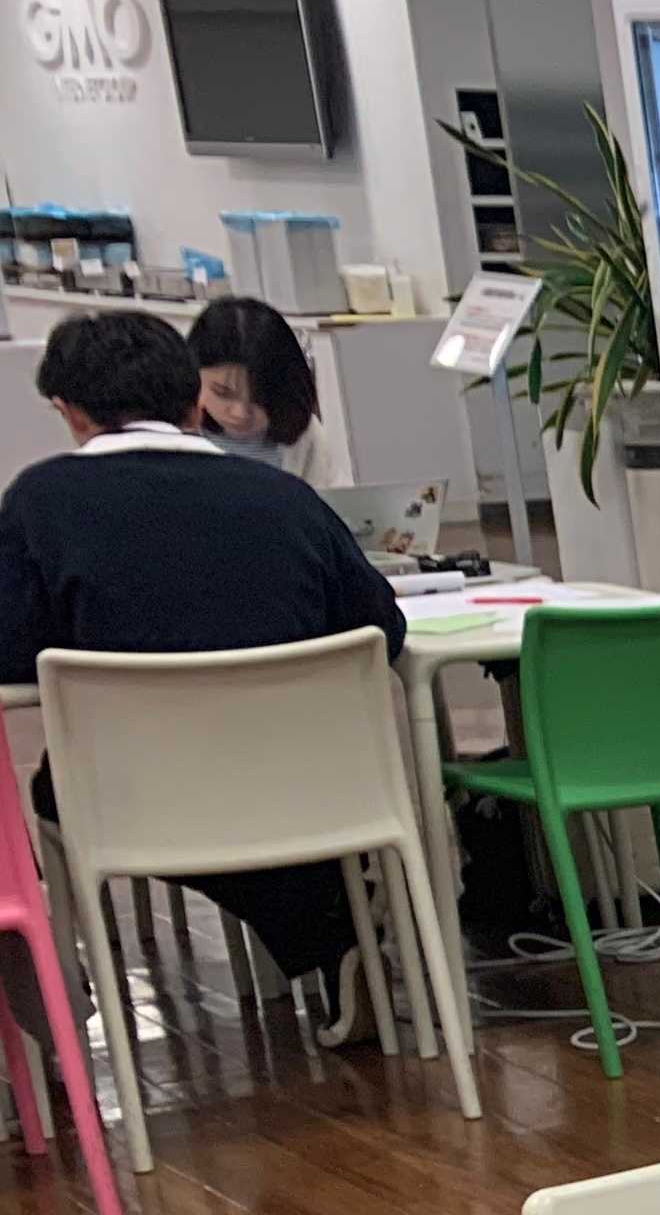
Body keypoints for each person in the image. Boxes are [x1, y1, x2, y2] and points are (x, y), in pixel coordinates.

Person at [0, 309, 405, 998]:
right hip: (310, 784)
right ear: (194, 404)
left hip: (133, 795)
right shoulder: (287, 499)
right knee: (251, 794)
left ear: (70, 413)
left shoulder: (39, 503)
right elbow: (380, 631)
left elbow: (11, 653)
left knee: (59, 786)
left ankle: (67, 992)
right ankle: (336, 936)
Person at [189, 296, 327, 480]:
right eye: (222, 393)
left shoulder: (307, 437)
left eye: (260, 398)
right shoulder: (173, 434)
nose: (240, 413)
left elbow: (331, 495)